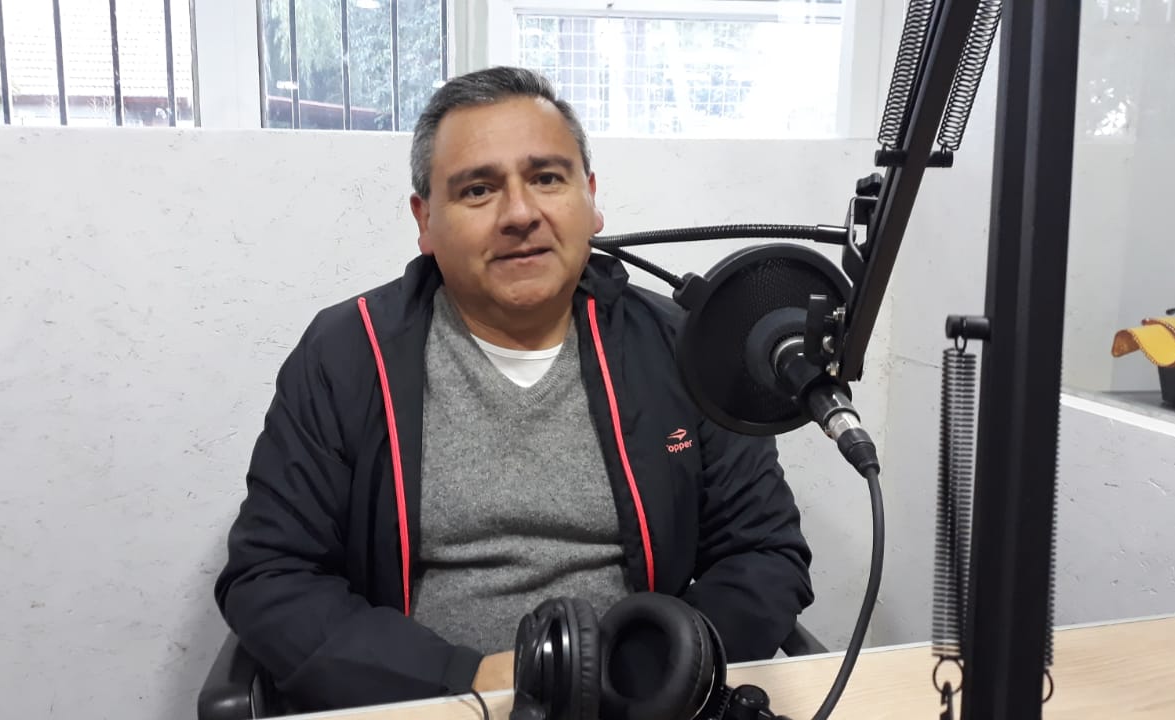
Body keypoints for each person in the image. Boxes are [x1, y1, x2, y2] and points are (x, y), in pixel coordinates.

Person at [214, 66, 813, 714]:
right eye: (478, 190)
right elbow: (270, 576)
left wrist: (651, 677)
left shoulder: (683, 351)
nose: (521, 214)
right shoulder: (347, 355)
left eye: (547, 179)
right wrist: (462, 678)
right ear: (425, 220)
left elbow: (765, 553)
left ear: (590, 199)